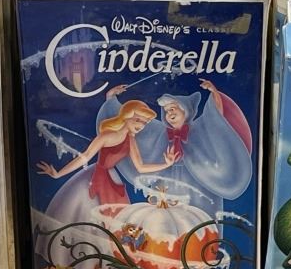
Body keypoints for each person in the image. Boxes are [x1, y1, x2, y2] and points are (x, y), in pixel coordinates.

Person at [34, 100, 177, 269]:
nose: (141, 125)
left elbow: (140, 167)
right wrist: (59, 174)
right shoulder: (107, 135)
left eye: (145, 122)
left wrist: (166, 164)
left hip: (111, 181)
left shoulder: (130, 139)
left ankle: (110, 263)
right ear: (126, 117)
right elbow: (85, 156)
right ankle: (86, 262)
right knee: (87, 216)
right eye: (138, 120)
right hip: (94, 179)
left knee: (116, 220)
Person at [97, 79, 253, 218]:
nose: (169, 114)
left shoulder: (200, 128)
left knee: (199, 222)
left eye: (172, 109)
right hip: (166, 184)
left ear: (186, 110)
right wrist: (111, 100)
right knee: (165, 223)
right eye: (166, 111)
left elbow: (215, 117)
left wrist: (214, 94)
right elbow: (127, 120)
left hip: (197, 184)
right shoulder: (158, 132)